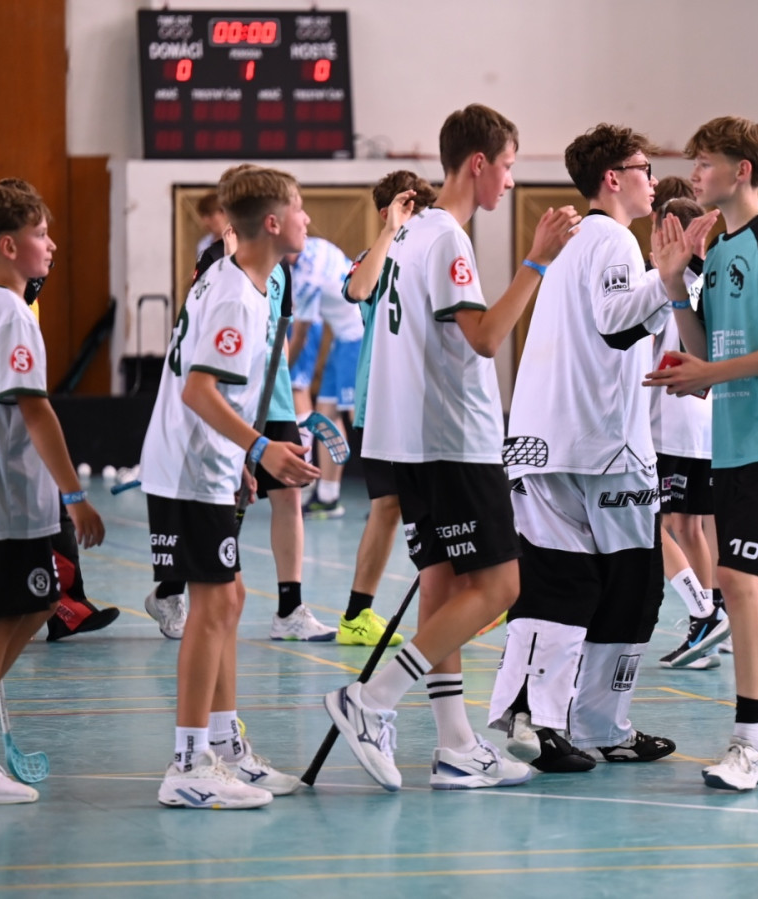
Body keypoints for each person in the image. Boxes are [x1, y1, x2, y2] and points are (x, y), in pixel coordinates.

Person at [324, 103, 577, 792]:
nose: (510, 181)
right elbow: (486, 337)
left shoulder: (407, 232)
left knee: (441, 589)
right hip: (453, 440)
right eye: (508, 166)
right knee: (500, 586)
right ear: (479, 163)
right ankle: (371, 698)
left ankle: (455, 745)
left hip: (409, 440)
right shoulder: (446, 239)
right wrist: (537, 262)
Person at [487, 124, 681, 772]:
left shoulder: (571, 245)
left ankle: (532, 716)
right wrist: (671, 277)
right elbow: (616, 321)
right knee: (634, 587)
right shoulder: (614, 239)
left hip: (541, 443)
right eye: (644, 166)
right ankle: (601, 724)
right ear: (613, 177)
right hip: (604, 451)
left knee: (555, 582)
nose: (653, 179)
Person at [642, 115, 758, 791]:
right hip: (736, 440)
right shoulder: (718, 252)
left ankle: (748, 742)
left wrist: (710, 374)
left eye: (705, 162)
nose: (695, 174)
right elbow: (705, 346)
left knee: (740, 583)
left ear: (742, 170)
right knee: (755, 591)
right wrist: (673, 286)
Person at [143, 165, 321, 808]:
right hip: (187, 469)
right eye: (298, 209)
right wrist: (260, 447)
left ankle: (223, 744)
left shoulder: (240, 279)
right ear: (271, 223)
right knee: (214, 606)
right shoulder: (235, 297)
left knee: (232, 598)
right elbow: (198, 391)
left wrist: (238, 455)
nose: (307, 219)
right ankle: (188, 764)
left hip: (207, 464)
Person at [0, 181, 105, 804]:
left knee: (40, 600)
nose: (51, 245)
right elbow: (35, 410)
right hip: (1, 496)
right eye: (40, 234)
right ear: (8, 246)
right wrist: (74, 495)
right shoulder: (9, 313)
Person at [336, 171, 432, 646]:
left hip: (422, 402)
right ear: (385, 212)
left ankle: (357, 613)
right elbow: (357, 291)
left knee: (393, 507)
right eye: (408, 209)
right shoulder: (372, 259)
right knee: (391, 506)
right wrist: (392, 230)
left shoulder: (432, 254)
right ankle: (358, 615)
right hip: (380, 404)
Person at [651, 180, 730, 672]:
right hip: (705, 420)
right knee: (689, 525)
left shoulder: (666, 282)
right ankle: (710, 626)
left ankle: (704, 611)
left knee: (647, 519)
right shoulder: (708, 279)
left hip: (674, 420)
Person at [293, 235, 365, 520]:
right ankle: (328, 496)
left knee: (361, 418)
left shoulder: (305, 277)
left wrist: (283, 371)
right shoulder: (317, 245)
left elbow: (301, 334)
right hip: (342, 340)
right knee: (325, 417)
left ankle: (392, 496)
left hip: (356, 338)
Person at [195, 192, 229, 256]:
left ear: (223, 212)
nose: (206, 222)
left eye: (210, 215)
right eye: (203, 217)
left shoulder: (241, 241)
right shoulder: (203, 245)